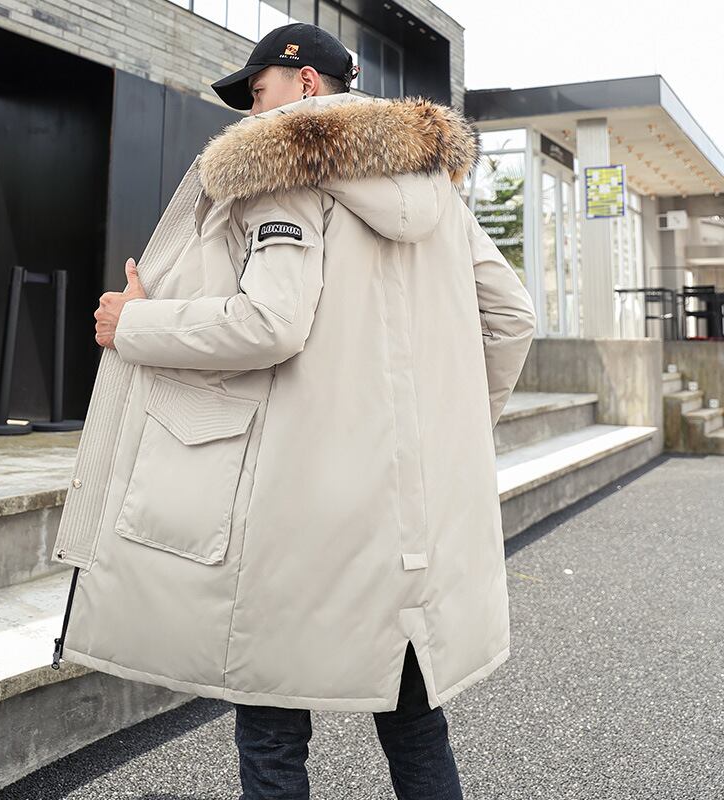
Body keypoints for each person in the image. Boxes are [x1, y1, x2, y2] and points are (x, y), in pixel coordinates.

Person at [86, 20, 536, 800]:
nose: (251, 115)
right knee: (416, 729)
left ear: (304, 84)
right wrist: (449, 433)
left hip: (297, 511)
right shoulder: (438, 192)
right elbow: (512, 319)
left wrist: (137, 324)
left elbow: (271, 323)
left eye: (257, 93)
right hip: (410, 526)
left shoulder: (284, 168)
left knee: (272, 737)